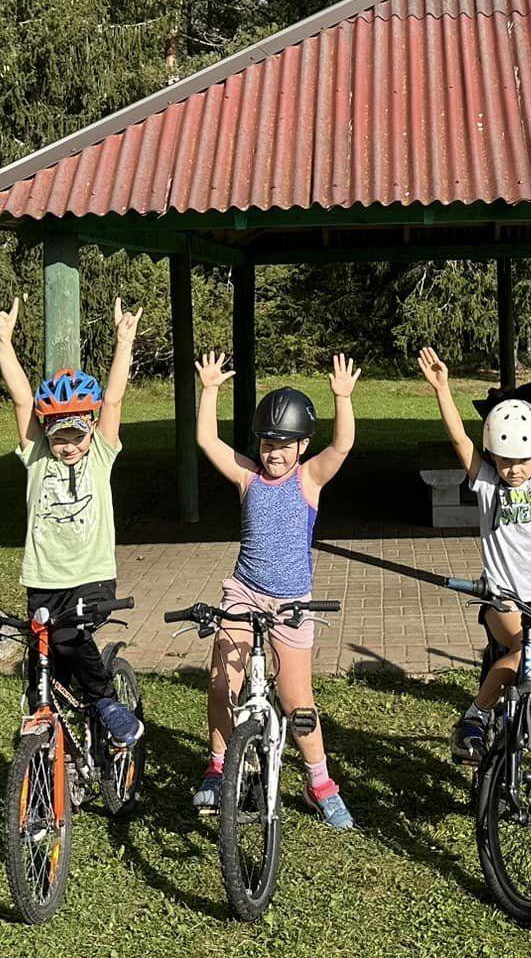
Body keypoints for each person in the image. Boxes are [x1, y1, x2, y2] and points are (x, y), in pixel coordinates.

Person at [189, 351, 362, 828]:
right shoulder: (247, 477)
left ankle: (319, 782)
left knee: (298, 703)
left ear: (302, 445)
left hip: (291, 603)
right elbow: (207, 439)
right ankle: (218, 766)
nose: (275, 454)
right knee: (222, 682)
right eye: (268, 444)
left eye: (285, 445)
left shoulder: (308, 479)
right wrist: (210, 390)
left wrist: (342, 398)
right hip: (244, 593)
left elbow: (343, 445)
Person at [418, 345, 531, 766]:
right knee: (527, 651)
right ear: (493, 455)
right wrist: (442, 390)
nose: (514, 469)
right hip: (504, 599)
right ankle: (474, 716)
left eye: (523, 460)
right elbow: (460, 440)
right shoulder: (486, 483)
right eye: (505, 460)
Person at [0, 295, 145, 746]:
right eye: (60, 437)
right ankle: (57, 760)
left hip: (92, 577)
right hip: (43, 579)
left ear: (90, 430)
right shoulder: (37, 456)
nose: (69, 445)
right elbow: (22, 398)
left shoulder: (100, 454)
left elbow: (113, 399)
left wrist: (123, 342)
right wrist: (4, 342)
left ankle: (105, 701)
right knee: (45, 670)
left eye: (77, 435)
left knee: (67, 638)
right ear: (47, 433)